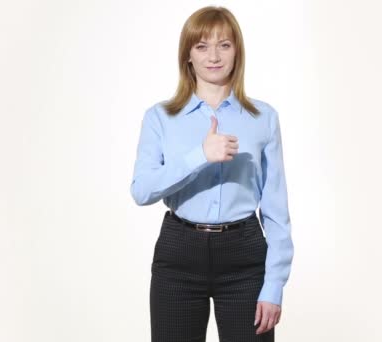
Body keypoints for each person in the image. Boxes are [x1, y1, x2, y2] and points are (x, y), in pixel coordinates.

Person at [130, 6, 295, 342]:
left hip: (245, 256)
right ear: (187, 55)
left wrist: (274, 286)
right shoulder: (160, 117)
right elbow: (142, 190)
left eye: (224, 45)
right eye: (202, 46)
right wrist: (200, 156)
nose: (214, 56)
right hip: (179, 252)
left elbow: (276, 210)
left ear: (238, 52)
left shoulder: (263, 117)